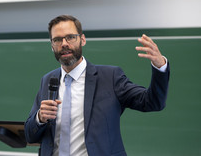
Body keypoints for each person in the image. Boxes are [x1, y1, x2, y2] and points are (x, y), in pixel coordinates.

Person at [25, 15, 170, 156]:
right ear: (52, 46)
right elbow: (29, 135)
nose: (64, 43)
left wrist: (160, 67)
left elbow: (153, 103)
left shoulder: (110, 77)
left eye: (70, 37)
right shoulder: (48, 80)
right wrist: (39, 118)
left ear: (82, 40)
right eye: (57, 39)